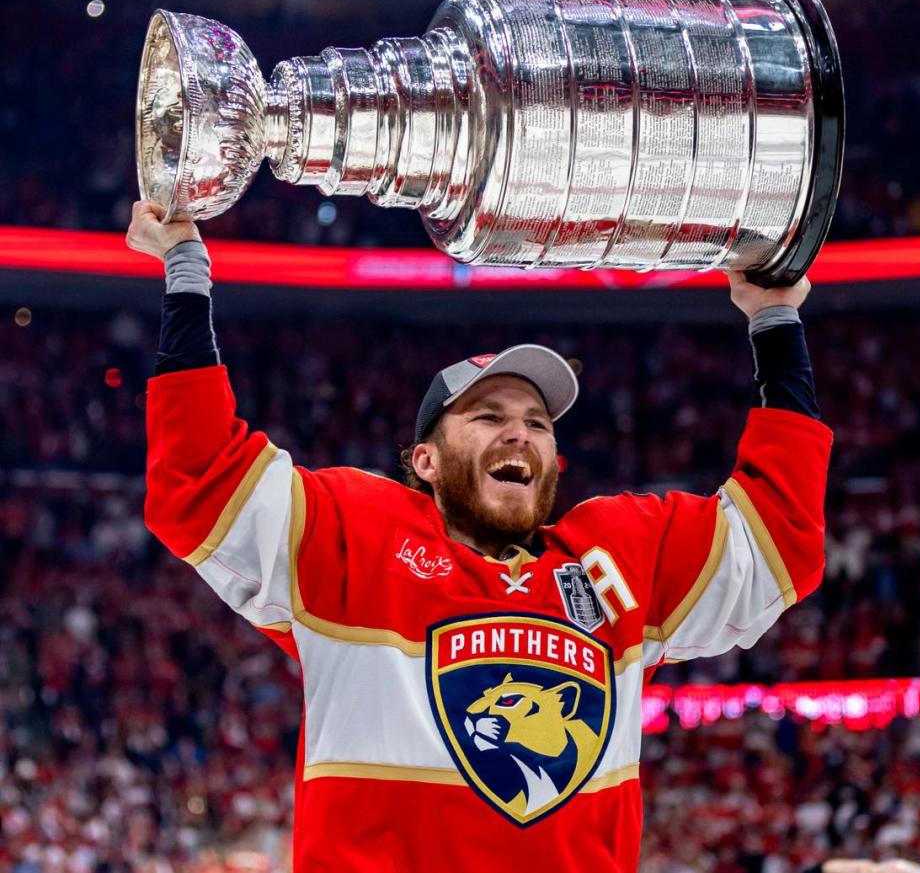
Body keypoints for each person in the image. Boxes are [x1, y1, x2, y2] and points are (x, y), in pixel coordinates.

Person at [128, 198, 833, 873]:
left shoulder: (618, 556)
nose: (518, 432)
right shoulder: (355, 535)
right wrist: (186, 268)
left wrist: (774, 319)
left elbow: (776, 536)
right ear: (425, 462)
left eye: (537, 421)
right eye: (488, 416)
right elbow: (200, 477)